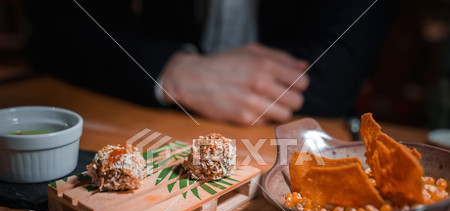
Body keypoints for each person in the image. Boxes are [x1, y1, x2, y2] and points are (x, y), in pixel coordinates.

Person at [24, 0, 399, 125]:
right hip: (146, 117)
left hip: (303, 135)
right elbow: (59, 31)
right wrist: (170, 70)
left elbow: (331, 79)